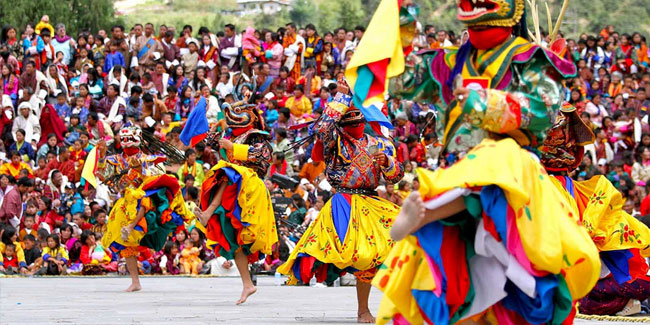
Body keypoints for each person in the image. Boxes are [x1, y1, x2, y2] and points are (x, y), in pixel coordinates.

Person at [373, 1, 603, 324]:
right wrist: (401, 22)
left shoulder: (530, 60)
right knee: (456, 296)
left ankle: (427, 211)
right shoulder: (450, 61)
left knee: (515, 294)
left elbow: (544, 109)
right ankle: (431, 211)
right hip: (457, 179)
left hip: (513, 187)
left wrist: (488, 103)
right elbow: (396, 80)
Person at [278, 83, 404, 323]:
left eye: (357, 119)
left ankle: (384, 305)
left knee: (394, 246)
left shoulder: (382, 144)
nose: (354, 124)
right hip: (344, 201)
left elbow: (396, 177)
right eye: (349, 120)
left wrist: (388, 162)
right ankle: (363, 309)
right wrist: (342, 96)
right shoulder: (335, 141)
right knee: (357, 253)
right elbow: (321, 127)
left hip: (372, 202)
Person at [92, 125, 195, 292]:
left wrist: (140, 168)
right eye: (123, 139)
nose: (126, 142)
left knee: (144, 205)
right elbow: (104, 176)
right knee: (126, 244)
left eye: (130, 138)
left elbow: (154, 181)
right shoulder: (117, 159)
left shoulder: (148, 159)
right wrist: (102, 155)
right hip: (125, 203)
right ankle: (135, 281)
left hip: (144, 200)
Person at [194, 101, 277, 304]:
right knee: (233, 237)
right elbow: (208, 140)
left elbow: (263, 157)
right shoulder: (229, 136)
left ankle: (207, 213)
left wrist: (235, 148)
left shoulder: (259, 139)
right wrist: (203, 118)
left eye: (239, 112)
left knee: (227, 171)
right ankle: (247, 284)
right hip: (231, 189)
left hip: (249, 187)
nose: (232, 115)